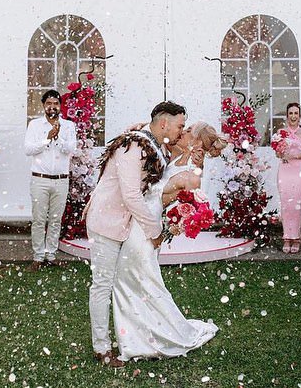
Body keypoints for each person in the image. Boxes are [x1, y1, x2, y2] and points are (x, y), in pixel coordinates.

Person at [85, 100, 186, 368]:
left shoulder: (149, 142)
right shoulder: (133, 145)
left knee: (124, 283)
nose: (180, 132)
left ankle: (132, 336)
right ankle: (102, 348)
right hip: (106, 223)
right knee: (103, 284)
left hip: (124, 225)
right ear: (164, 123)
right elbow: (131, 194)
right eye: (179, 126)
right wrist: (155, 231)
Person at [112, 122, 223, 361]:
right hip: (141, 222)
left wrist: (171, 228)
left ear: (194, 141)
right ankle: (138, 335)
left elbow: (188, 211)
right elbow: (157, 136)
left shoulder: (193, 174)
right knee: (135, 279)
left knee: (135, 279)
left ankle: (144, 339)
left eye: (187, 130)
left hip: (149, 227)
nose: (181, 131)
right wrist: (139, 127)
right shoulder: (176, 155)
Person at [23, 90, 76, 272]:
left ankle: (51, 255)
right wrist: (47, 138)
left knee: (55, 219)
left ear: (60, 106)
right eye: (49, 103)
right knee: (38, 219)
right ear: (43, 105)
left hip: (61, 180)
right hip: (40, 179)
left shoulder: (68, 126)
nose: (52, 107)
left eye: (55, 103)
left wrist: (58, 136)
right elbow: (28, 149)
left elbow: (71, 149)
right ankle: (38, 256)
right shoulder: (35, 125)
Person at [276, 103, 301, 253]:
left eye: (296, 113)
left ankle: (296, 238)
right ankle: (286, 237)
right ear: (287, 115)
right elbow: (277, 152)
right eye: (291, 113)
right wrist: (281, 153)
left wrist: (293, 155)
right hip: (284, 170)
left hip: (298, 171)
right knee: (285, 203)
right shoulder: (281, 132)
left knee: (296, 203)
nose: (293, 116)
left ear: (300, 115)